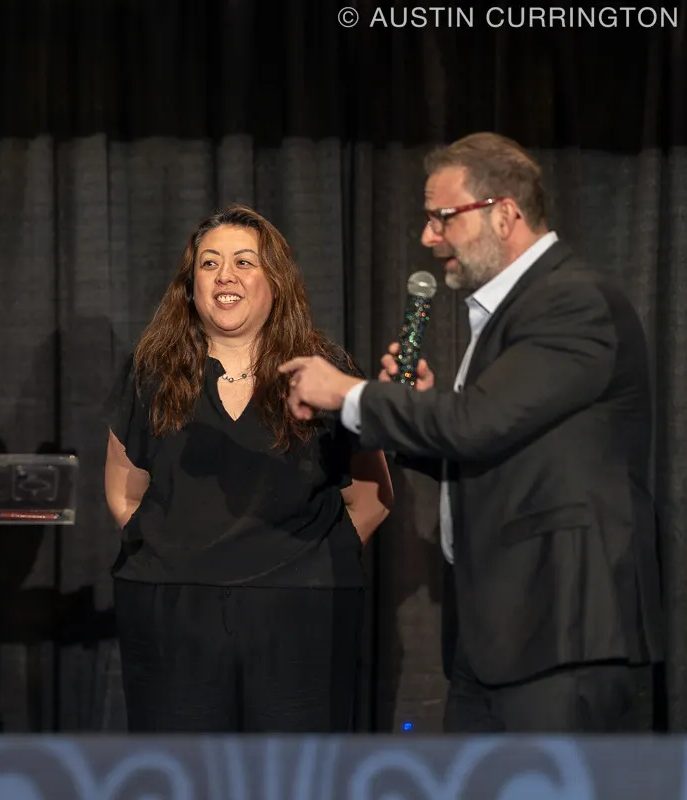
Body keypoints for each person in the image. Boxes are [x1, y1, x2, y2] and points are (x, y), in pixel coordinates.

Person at [280, 132, 664, 732]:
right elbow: (488, 440)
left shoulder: (571, 300)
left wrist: (347, 392)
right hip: (501, 635)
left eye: (443, 217)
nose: (428, 237)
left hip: (564, 632)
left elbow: (476, 424)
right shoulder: (518, 308)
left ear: (504, 214)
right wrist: (417, 412)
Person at [103, 204, 394, 732]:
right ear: (190, 286)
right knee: (182, 771)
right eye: (209, 264)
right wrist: (179, 558)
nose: (225, 276)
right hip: (172, 616)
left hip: (302, 618)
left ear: (275, 281)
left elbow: (373, 496)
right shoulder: (151, 372)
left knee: (293, 771)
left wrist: (307, 563)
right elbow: (124, 491)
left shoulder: (325, 372)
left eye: (244, 262)